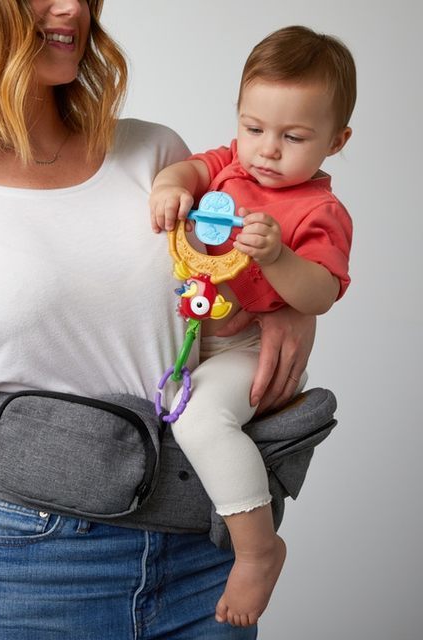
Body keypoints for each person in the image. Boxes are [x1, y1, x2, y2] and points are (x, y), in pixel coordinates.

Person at [0, 3, 317, 638]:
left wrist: (290, 308)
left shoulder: (159, 157)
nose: (72, 6)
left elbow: (237, 279)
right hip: (27, 575)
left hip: (204, 562)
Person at [149, 25, 355, 628]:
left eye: (293, 137)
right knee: (158, 403)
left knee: (200, 421)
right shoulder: (229, 165)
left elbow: (321, 293)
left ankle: (258, 549)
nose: (267, 150)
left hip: (248, 344)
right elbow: (188, 169)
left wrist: (280, 259)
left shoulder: (319, 211)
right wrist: (170, 188)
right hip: (196, 332)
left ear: (336, 141)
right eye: (254, 127)